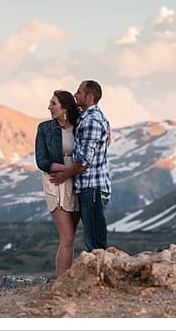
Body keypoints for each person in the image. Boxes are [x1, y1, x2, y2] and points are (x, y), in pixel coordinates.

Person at [50, 80, 111, 252]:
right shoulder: (91, 118)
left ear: (89, 97)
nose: (75, 95)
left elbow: (84, 160)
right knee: (94, 240)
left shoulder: (91, 121)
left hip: (92, 188)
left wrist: (64, 174)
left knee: (95, 244)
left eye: (79, 92)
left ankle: (101, 278)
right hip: (91, 188)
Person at [35, 89, 82, 276]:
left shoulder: (80, 125)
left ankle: (67, 280)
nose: (49, 107)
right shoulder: (45, 128)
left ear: (65, 107)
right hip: (56, 182)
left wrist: (74, 171)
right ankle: (61, 282)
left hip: (77, 182)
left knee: (71, 238)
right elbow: (42, 162)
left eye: (53, 103)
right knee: (67, 236)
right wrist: (68, 170)